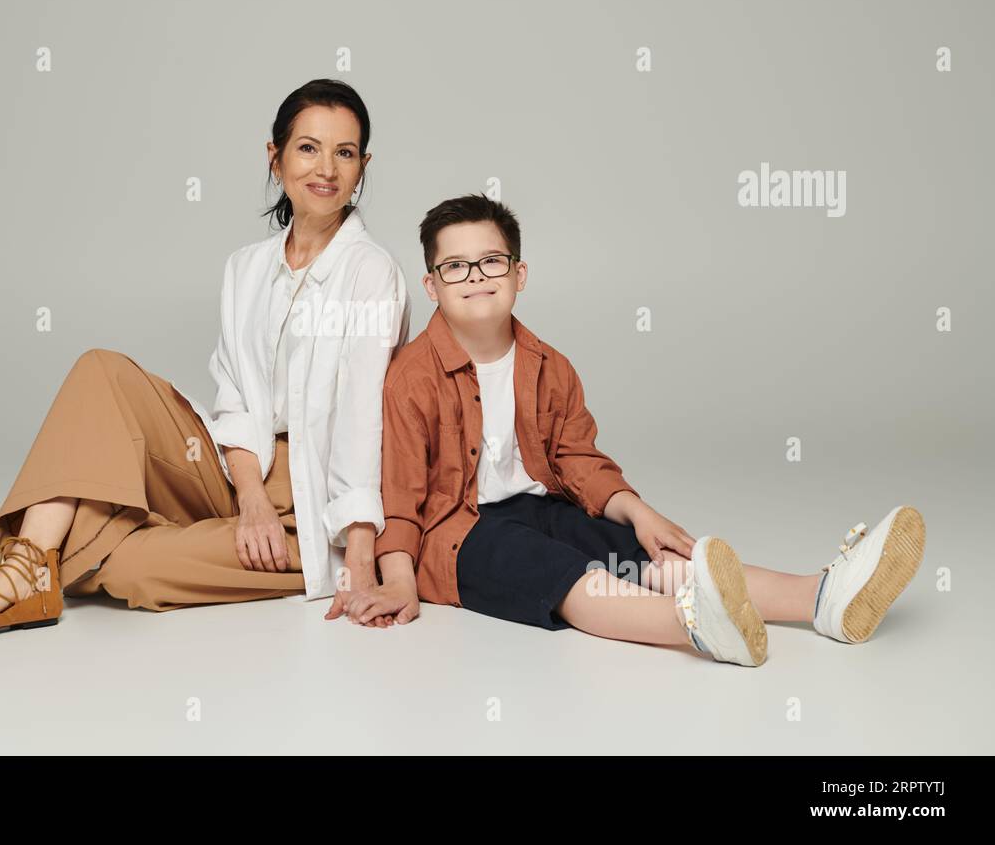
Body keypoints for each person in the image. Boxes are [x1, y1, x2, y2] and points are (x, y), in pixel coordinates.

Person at [0, 78, 410, 642]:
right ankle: (24, 569)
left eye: (344, 152)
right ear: (275, 158)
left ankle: (53, 560)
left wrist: (361, 564)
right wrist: (250, 500)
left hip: (313, 508)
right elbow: (236, 399)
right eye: (308, 147)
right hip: (236, 472)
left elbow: (363, 425)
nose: (326, 168)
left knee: (129, 572)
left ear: (363, 166)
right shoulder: (244, 268)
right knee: (101, 369)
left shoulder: (371, 272)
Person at [347, 194, 926, 666]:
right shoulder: (411, 378)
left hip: (539, 503)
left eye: (492, 261)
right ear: (432, 285)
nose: (476, 276)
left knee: (634, 551)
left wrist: (637, 511)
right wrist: (398, 579)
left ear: (519, 274)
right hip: (460, 532)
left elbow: (577, 461)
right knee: (561, 573)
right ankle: (694, 627)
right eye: (455, 266)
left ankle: (820, 598)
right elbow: (401, 498)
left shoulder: (549, 365)